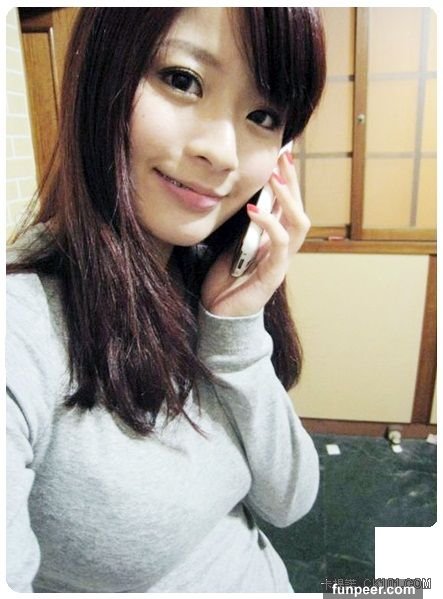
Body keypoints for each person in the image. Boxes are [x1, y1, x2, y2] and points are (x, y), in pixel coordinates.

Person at [6, 7, 326, 593]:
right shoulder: (20, 329)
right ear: (102, 74)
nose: (223, 154)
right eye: (183, 80)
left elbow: (289, 501)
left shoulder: (203, 278)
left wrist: (235, 328)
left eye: (262, 116)